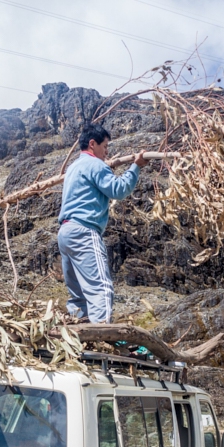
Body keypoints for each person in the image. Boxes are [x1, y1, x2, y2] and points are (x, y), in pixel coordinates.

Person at [57, 124, 149, 323]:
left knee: (79, 295)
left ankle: (77, 336)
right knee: (101, 289)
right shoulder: (95, 164)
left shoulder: (73, 168)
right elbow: (119, 189)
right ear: (92, 144)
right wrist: (136, 166)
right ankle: (101, 339)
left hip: (65, 232)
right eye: (105, 146)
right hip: (84, 230)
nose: (107, 151)